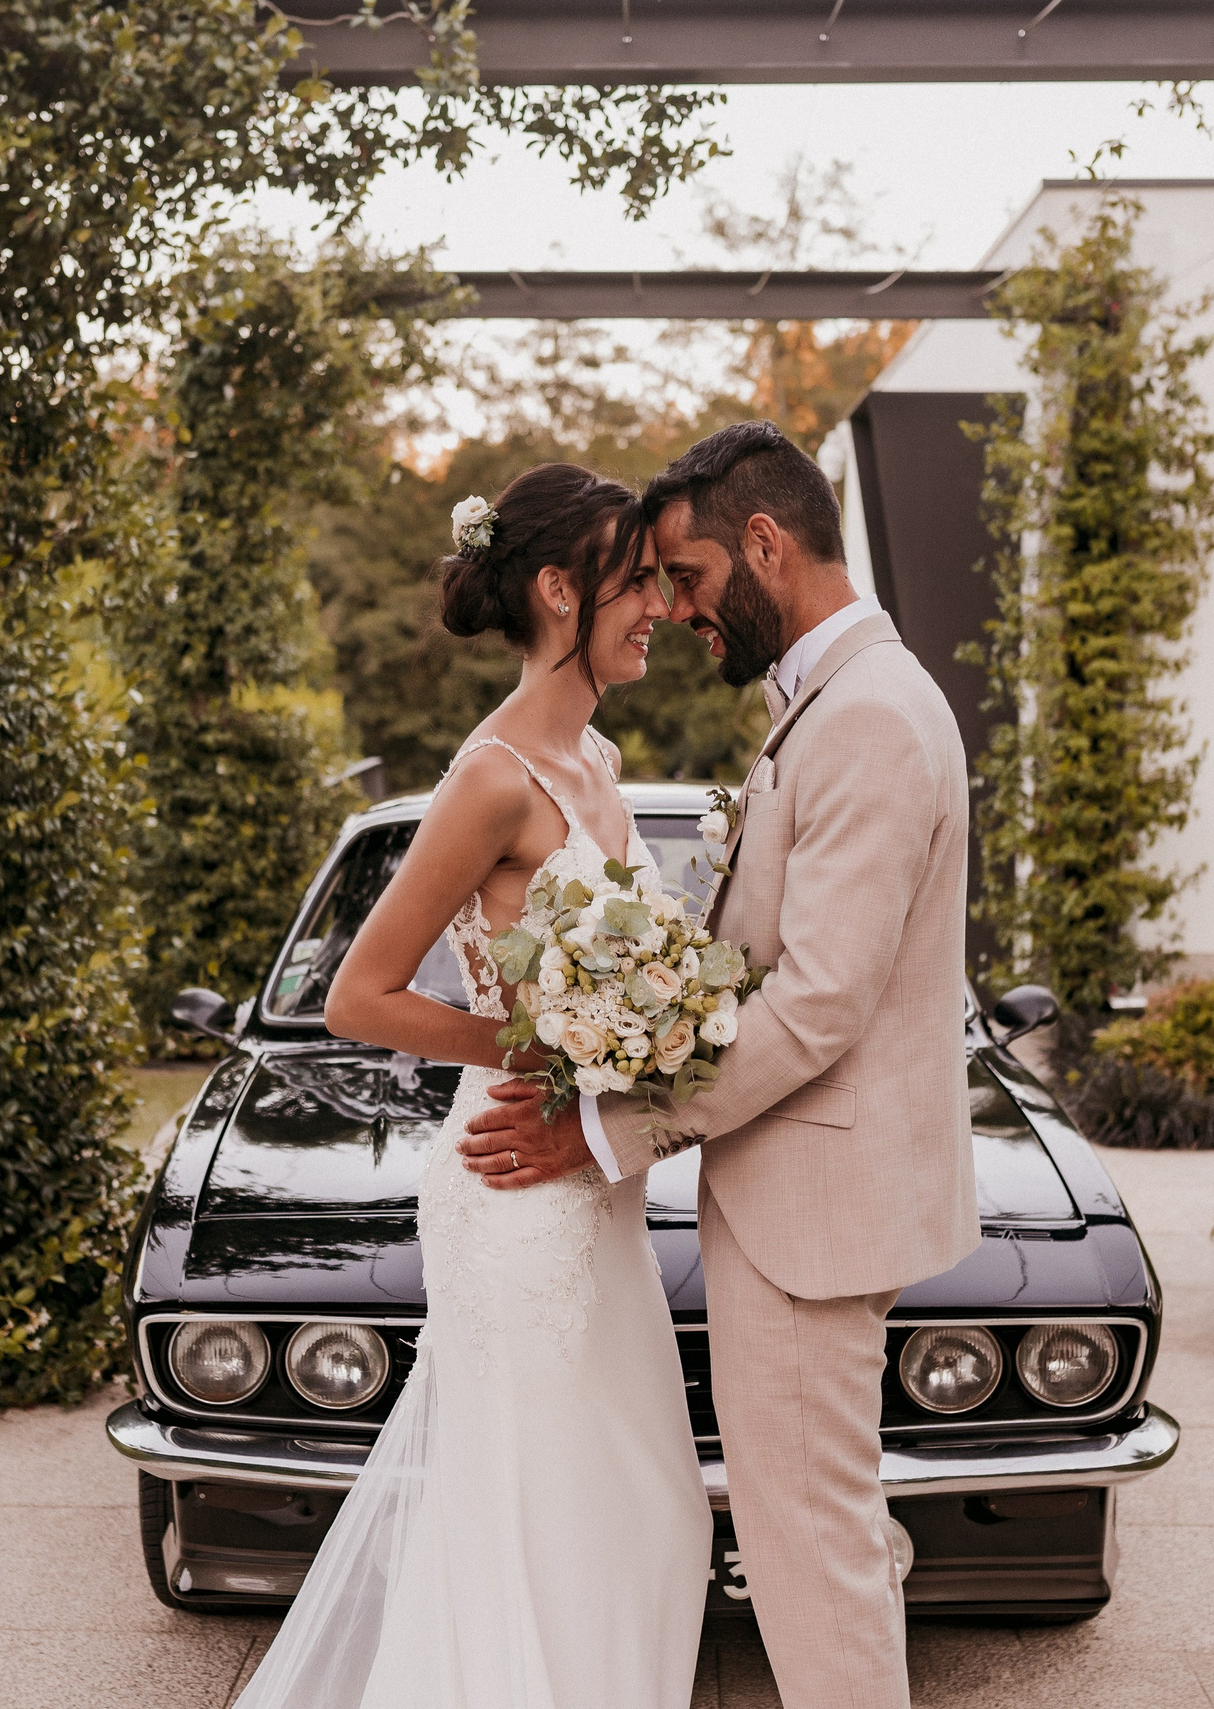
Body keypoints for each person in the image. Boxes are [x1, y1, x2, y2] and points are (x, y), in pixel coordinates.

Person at [461, 421, 978, 1709]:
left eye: (686, 577)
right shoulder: (828, 700)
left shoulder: (866, 714)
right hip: (803, 1200)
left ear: (762, 544)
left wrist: (604, 1130)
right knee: (816, 1536)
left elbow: (814, 1008)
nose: (679, 606)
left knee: (813, 1550)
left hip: (819, 1213)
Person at [230, 462, 709, 1709]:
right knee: (529, 1511)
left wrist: (637, 1042)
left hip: (592, 1183)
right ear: (559, 588)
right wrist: (539, 1051)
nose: (657, 602)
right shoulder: (493, 775)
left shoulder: (596, 756)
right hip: (511, 1180)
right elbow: (360, 995)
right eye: (635, 580)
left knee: (638, 1509)